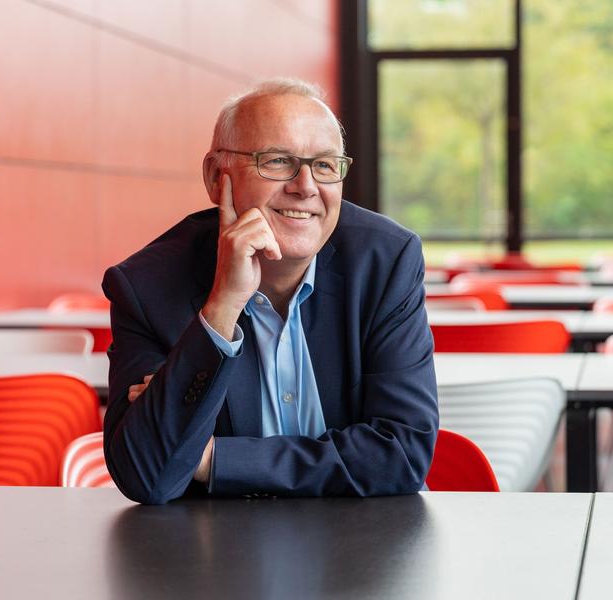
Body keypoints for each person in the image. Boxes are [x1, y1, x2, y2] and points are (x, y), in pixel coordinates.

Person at [102, 78, 438, 504]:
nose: (306, 186)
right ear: (214, 176)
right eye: (278, 161)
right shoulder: (148, 287)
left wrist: (216, 459)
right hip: (214, 558)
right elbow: (147, 475)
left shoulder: (385, 261)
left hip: (369, 550)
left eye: (325, 165)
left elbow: (401, 456)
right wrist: (221, 307)